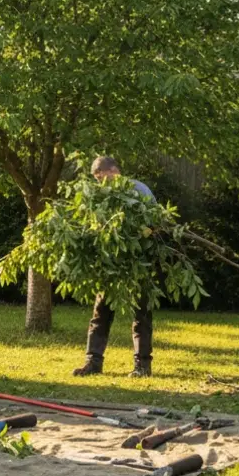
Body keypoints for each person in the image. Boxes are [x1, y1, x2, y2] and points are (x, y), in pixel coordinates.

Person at [72, 155, 156, 378]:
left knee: (142, 313)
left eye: (101, 178)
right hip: (110, 265)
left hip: (138, 263)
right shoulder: (100, 196)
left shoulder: (139, 190)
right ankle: (93, 362)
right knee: (101, 312)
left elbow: (156, 223)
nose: (100, 183)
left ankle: (143, 366)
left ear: (112, 171)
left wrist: (143, 233)